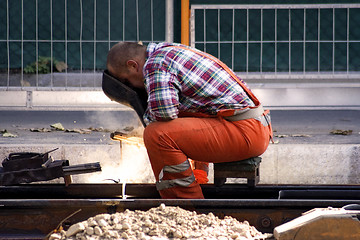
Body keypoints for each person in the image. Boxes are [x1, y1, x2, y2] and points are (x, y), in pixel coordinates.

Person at [106, 42, 273, 199]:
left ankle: (186, 205)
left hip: (245, 131)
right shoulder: (168, 50)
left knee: (157, 134)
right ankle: (198, 180)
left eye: (126, 81)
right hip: (251, 127)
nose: (132, 86)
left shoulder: (155, 64)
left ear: (132, 65)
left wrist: (144, 124)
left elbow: (164, 114)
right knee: (182, 121)